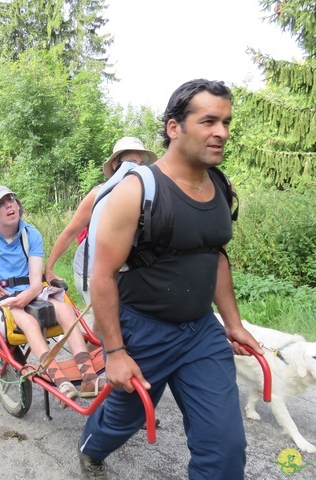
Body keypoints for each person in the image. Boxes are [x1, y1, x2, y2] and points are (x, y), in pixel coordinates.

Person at [78, 79, 264, 480]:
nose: (222, 133)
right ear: (174, 127)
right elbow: (103, 276)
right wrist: (114, 353)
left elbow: (213, 255)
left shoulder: (219, 184)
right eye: (209, 121)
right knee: (121, 421)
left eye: (226, 122)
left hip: (201, 332)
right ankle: (90, 449)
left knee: (226, 447)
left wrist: (232, 323)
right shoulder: (134, 193)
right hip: (142, 332)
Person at [0, 186, 105, 402]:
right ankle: (58, 378)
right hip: (2, 296)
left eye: (12, 200)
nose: (9, 205)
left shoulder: (30, 234)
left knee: (65, 309)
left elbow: (36, 281)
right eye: (1, 204)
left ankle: (88, 375)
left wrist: (28, 295)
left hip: (31, 290)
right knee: (27, 320)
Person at [44, 137, 157, 335]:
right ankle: (87, 363)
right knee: (108, 330)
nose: (136, 168)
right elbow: (70, 231)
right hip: (89, 270)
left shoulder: (145, 194)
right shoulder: (99, 193)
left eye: (141, 164)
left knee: (115, 327)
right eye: (131, 162)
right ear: (115, 164)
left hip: (121, 270)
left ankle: (89, 361)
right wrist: (49, 267)